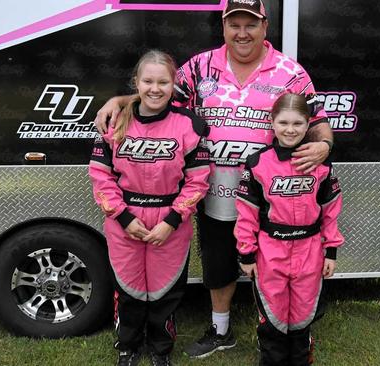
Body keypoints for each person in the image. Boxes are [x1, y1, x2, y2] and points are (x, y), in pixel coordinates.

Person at [94, 0, 334, 358]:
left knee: (271, 266)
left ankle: (282, 331)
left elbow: (316, 117)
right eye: (234, 24)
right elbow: (158, 94)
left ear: (265, 27)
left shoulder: (289, 72)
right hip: (212, 189)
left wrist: (325, 144)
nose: (242, 32)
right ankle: (221, 331)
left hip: (267, 193)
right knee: (218, 261)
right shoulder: (200, 66)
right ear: (223, 27)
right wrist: (121, 99)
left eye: (250, 25)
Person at [89, 50, 210, 366]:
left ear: (174, 86)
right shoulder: (114, 122)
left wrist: (172, 219)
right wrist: (124, 217)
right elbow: (101, 178)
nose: (155, 89)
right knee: (128, 290)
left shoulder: (189, 126)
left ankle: (161, 350)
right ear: (136, 83)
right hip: (124, 220)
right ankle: (128, 347)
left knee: (165, 291)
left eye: (163, 82)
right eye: (148, 81)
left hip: (170, 222)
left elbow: (198, 182)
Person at [235, 93, 344, 365]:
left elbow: (330, 209)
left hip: (310, 250)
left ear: (308, 125)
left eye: (298, 123)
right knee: (273, 318)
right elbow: (246, 212)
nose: (290, 129)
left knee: (302, 317)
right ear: (272, 123)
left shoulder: (321, 164)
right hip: (270, 251)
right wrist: (246, 254)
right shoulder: (258, 162)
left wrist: (331, 250)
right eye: (283, 122)